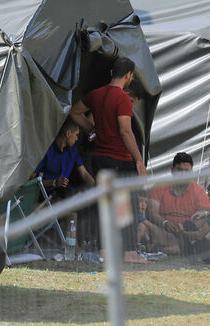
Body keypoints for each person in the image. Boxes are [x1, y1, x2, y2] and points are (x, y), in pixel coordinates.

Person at [69, 57, 148, 263]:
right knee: (128, 204)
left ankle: (104, 250)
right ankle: (129, 252)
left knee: (104, 204)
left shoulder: (96, 94)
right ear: (129, 75)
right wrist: (139, 160)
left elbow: (75, 112)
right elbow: (125, 131)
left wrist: (92, 130)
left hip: (100, 158)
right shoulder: (123, 98)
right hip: (120, 158)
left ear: (112, 72)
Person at [31, 118, 95, 226]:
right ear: (68, 133)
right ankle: (70, 237)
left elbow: (84, 173)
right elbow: (33, 181)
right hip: (47, 193)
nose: (77, 139)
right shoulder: (47, 150)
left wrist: (96, 185)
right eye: (76, 135)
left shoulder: (73, 150)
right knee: (70, 207)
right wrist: (54, 182)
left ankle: (75, 235)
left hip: (64, 191)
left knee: (83, 201)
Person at [147, 152, 210, 255]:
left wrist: (184, 229)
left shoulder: (198, 190)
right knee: (144, 227)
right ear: (172, 170)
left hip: (188, 233)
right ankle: (180, 246)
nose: (183, 174)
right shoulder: (159, 186)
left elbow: (204, 216)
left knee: (209, 228)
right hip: (163, 232)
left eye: (186, 171)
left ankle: (177, 246)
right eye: (179, 170)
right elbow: (151, 212)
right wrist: (165, 223)